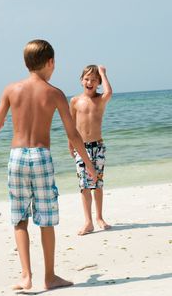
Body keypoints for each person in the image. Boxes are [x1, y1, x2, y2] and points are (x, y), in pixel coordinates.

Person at [0, 40, 97, 290]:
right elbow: (73, 134)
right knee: (46, 219)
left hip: (16, 158)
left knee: (20, 219)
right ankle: (49, 277)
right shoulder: (55, 93)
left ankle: (26, 276)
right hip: (40, 156)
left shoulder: (11, 89)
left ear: (26, 63)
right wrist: (88, 163)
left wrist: (3, 121)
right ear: (50, 62)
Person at [68, 65, 112, 235]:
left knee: (98, 184)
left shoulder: (100, 99)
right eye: (87, 78)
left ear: (98, 83)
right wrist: (70, 143)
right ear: (81, 81)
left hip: (98, 147)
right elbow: (71, 124)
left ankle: (99, 217)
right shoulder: (75, 101)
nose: (90, 82)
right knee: (84, 186)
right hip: (81, 148)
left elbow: (109, 92)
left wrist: (103, 73)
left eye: (94, 80)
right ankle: (88, 222)